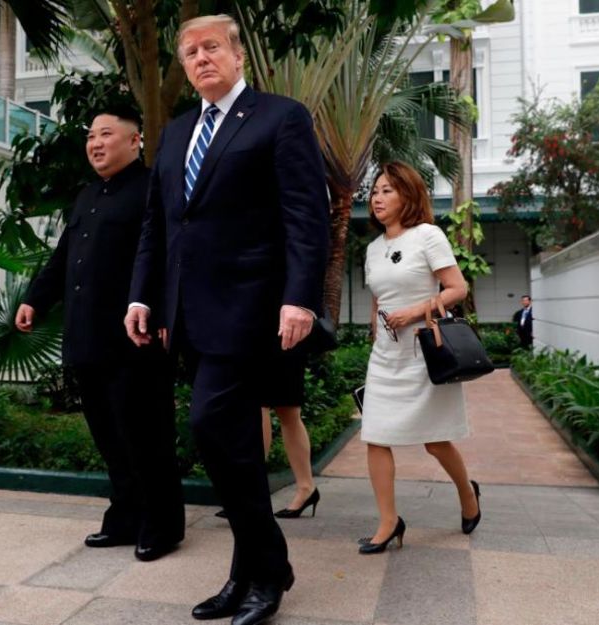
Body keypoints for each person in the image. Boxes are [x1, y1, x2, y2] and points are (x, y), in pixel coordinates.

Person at [123, 14, 329, 625]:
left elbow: (305, 217)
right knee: (230, 443)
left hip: (253, 307)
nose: (200, 58)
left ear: (238, 56)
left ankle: (266, 567)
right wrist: (143, 296)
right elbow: (160, 224)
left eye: (211, 46)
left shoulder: (279, 117)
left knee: (211, 424)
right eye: (189, 52)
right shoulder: (178, 130)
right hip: (189, 312)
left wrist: (301, 298)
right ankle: (250, 571)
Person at [16, 108, 184, 563]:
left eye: (106, 134)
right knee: (109, 435)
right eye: (91, 135)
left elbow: (169, 257)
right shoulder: (87, 194)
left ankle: (163, 524)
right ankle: (125, 516)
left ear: (135, 141)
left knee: (147, 434)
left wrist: (165, 313)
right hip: (87, 336)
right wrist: (35, 298)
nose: (95, 143)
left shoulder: (154, 188)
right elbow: (62, 257)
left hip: (136, 339)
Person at [357, 161, 482, 555]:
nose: (377, 198)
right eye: (375, 191)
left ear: (408, 196)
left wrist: (413, 312)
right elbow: (378, 301)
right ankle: (388, 522)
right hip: (386, 356)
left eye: (387, 191)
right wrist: (377, 337)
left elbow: (457, 288)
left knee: (435, 440)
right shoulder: (373, 249)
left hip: (424, 352)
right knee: (375, 437)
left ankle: (468, 493)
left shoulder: (428, 236)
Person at [215, 354, 320, 520]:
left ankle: (302, 488)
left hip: (285, 335)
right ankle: (252, 490)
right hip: (258, 336)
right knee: (263, 404)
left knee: (284, 409)